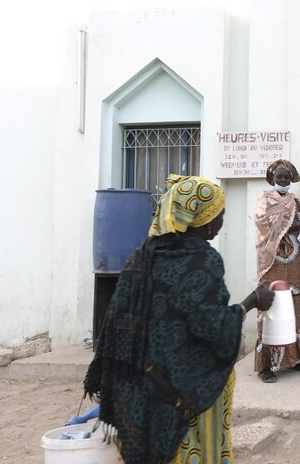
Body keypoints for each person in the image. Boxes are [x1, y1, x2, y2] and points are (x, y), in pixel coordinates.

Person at [84, 174, 275, 463]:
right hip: (184, 392)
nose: (222, 221)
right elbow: (213, 327)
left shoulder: (141, 255)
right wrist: (252, 301)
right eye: (220, 214)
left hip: (139, 387)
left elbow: (117, 322)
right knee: (191, 450)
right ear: (204, 220)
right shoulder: (203, 260)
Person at [253, 159, 300, 383]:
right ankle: (267, 366)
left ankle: (297, 358)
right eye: (280, 177)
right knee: (274, 308)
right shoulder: (265, 200)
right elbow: (265, 225)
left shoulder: (295, 201)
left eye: (287, 177)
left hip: (297, 264)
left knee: (298, 307)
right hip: (274, 264)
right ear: (273, 178)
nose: (283, 180)